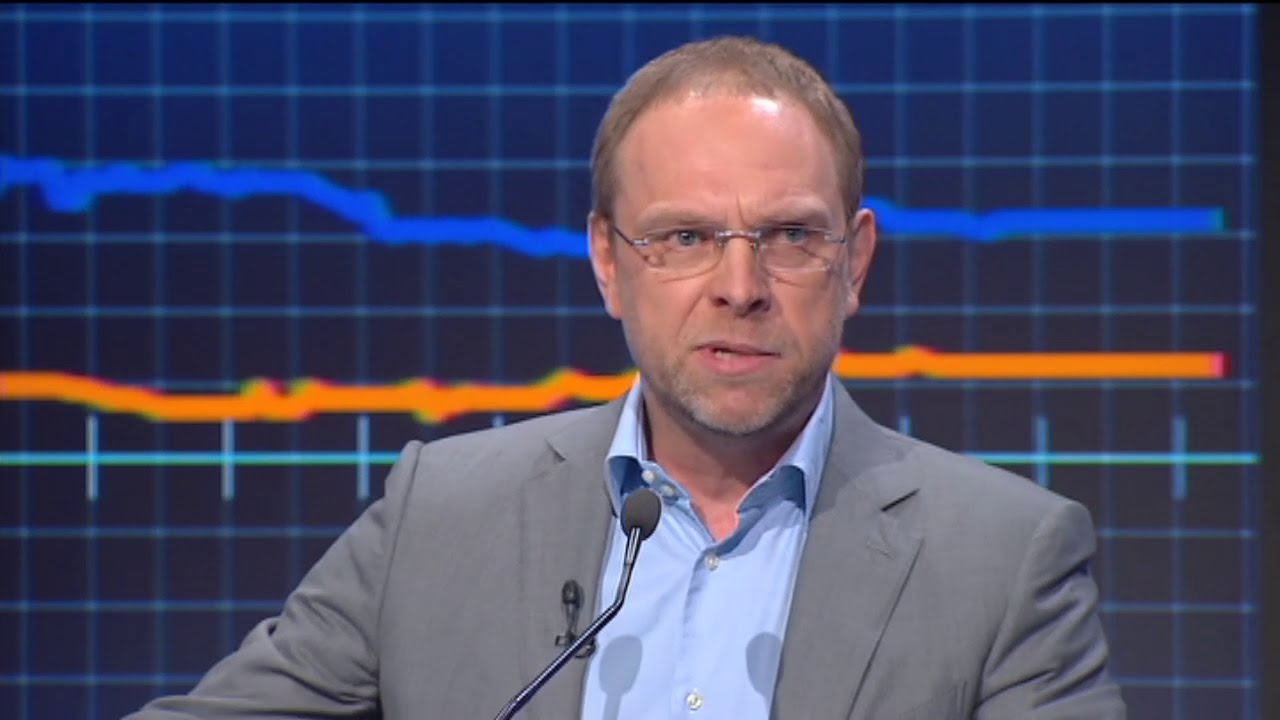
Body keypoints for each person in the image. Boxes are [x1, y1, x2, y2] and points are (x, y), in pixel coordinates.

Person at [126, 35, 1126, 719]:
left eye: (789, 236)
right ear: (608, 262)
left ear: (854, 263)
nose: (740, 287)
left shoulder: (1004, 558)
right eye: (684, 237)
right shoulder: (440, 515)